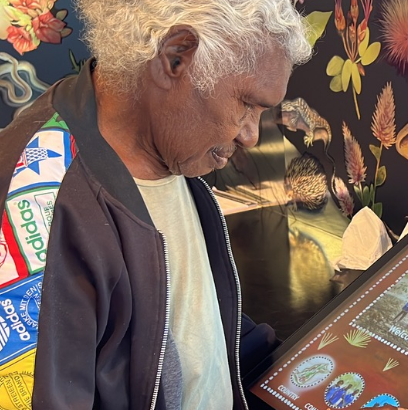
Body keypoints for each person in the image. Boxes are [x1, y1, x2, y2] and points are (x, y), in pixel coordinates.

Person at [0, 1, 311, 408]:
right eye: (247, 104)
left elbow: (192, 331)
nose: (251, 135)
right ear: (176, 58)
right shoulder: (40, 206)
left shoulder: (172, 149)